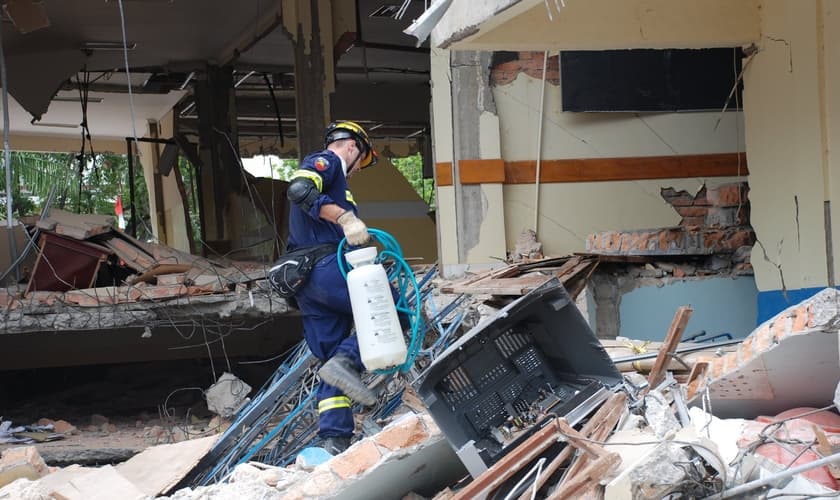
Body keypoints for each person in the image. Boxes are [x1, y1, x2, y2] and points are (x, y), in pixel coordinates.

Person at [284, 121, 379, 455]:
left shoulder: (337, 185)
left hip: (304, 283)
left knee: (330, 360)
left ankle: (334, 440)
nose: (355, 171)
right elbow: (298, 190)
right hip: (326, 269)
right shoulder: (329, 161)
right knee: (392, 309)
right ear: (353, 147)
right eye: (361, 161)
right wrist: (346, 218)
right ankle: (350, 361)